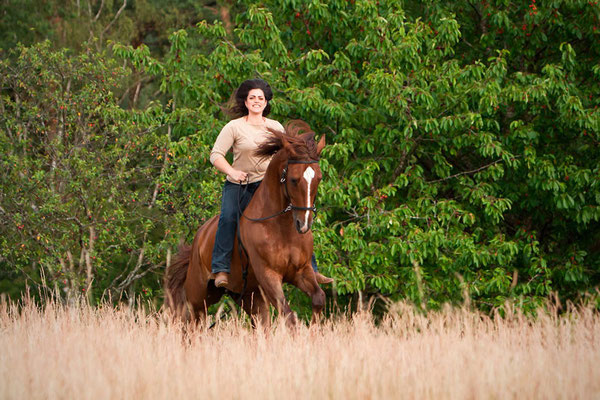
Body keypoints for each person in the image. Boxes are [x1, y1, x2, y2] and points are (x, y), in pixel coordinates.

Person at [209, 78, 333, 288]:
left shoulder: (275, 127)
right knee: (228, 217)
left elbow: (290, 154)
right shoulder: (234, 127)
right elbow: (215, 155)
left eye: (261, 98)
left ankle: (311, 268)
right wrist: (232, 171)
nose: (257, 101)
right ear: (246, 102)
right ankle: (221, 268)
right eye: (252, 98)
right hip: (240, 184)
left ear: (266, 103)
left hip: (268, 186)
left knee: (298, 213)